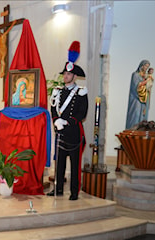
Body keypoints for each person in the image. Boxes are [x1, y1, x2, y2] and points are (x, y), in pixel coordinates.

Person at [47, 44, 88, 201]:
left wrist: (67, 121)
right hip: (60, 132)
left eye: (68, 74)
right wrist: (57, 120)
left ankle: (74, 192)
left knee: (75, 165)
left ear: (74, 76)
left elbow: (82, 113)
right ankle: (57, 189)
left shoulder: (81, 92)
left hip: (74, 133)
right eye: (64, 73)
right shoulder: (57, 91)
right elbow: (53, 108)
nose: (65, 76)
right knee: (59, 163)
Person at [125, 60, 150, 129]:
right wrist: (145, 82)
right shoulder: (135, 75)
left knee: (142, 116)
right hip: (136, 99)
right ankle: (132, 130)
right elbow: (136, 86)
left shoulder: (145, 76)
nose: (146, 68)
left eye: (147, 67)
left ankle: (140, 131)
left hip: (143, 100)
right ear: (141, 65)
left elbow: (147, 88)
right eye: (145, 66)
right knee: (135, 115)